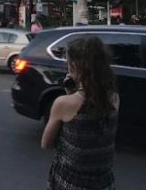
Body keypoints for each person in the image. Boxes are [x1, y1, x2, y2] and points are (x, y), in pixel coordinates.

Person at [41, 37, 119, 190]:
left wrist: (70, 96)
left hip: (71, 182)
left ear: (75, 66)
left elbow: (46, 143)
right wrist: (73, 94)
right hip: (103, 182)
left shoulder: (63, 104)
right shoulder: (114, 98)